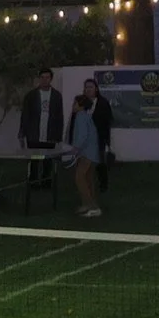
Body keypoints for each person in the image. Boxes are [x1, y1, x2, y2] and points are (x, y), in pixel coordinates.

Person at [19, 67, 66, 194]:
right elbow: (25, 115)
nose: (45, 80)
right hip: (34, 134)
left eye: (47, 77)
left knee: (48, 160)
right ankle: (34, 182)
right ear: (39, 79)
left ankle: (46, 182)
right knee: (34, 159)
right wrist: (22, 133)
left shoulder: (56, 96)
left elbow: (59, 117)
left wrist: (58, 136)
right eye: (42, 77)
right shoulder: (31, 95)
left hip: (50, 134)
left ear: (51, 79)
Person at [67, 84, 104, 218]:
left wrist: (75, 148)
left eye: (75, 103)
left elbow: (82, 135)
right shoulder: (86, 116)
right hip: (91, 152)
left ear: (81, 105)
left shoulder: (80, 117)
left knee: (79, 178)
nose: (73, 106)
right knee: (88, 179)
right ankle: (87, 205)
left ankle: (93, 206)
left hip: (87, 153)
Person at [75, 76, 115, 195]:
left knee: (100, 162)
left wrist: (106, 140)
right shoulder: (80, 102)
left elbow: (108, 121)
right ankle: (86, 184)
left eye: (91, 87)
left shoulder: (103, 103)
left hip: (98, 138)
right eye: (86, 87)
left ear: (96, 89)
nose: (88, 89)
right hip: (84, 139)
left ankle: (103, 185)